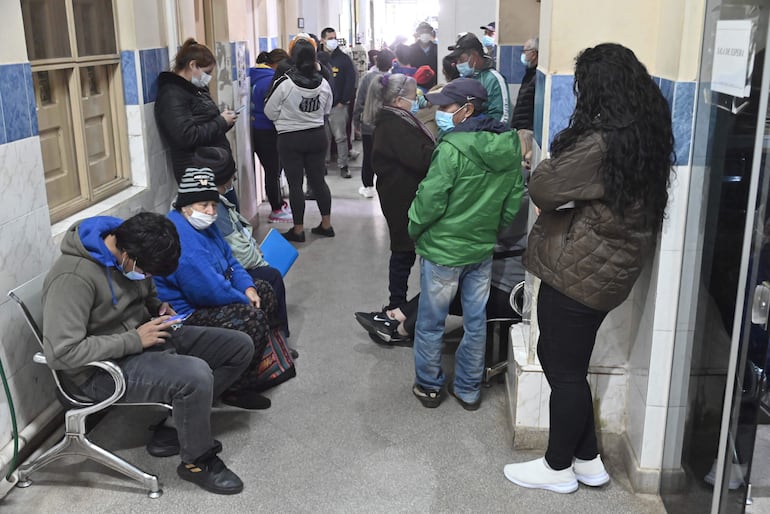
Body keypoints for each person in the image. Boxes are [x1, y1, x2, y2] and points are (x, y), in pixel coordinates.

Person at [502, 43, 674, 493]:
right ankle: (588, 459)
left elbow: (543, 185)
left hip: (580, 270)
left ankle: (557, 467)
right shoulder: (646, 133)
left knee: (563, 368)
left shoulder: (602, 142)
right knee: (562, 360)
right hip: (607, 271)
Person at [41, 212, 254, 495]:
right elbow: (61, 352)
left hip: (142, 340)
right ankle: (197, 461)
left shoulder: (132, 247)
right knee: (196, 376)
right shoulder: (73, 278)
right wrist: (133, 340)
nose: (148, 277)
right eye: (147, 272)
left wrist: (158, 307)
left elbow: (146, 292)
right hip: (98, 371)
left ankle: (175, 426)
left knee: (239, 347)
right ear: (127, 256)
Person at [408, 78, 524, 410]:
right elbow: (513, 200)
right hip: (481, 249)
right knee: (476, 322)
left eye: (445, 107)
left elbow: (430, 200)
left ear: (467, 109)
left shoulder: (451, 149)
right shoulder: (509, 144)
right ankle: (469, 388)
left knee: (432, 321)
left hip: (444, 250)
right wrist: (492, 230)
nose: (440, 113)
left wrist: (415, 227)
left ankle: (430, 386)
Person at [153, 168, 278, 409]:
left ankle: (256, 364)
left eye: (213, 204)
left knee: (263, 290)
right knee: (251, 318)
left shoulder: (206, 226)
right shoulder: (181, 236)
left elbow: (231, 261)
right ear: (185, 206)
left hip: (215, 294)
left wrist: (248, 288)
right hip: (187, 314)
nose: (210, 212)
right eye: (203, 205)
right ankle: (235, 388)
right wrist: (243, 299)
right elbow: (207, 290)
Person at [194, 146, 292, 345]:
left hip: (225, 269)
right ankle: (277, 338)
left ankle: (275, 337)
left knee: (266, 277)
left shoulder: (213, 202)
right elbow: (239, 256)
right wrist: (258, 257)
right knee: (270, 276)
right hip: (218, 278)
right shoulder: (214, 210)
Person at [358, 73, 436, 321]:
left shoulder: (397, 118)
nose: (417, 100)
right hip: (401, 195)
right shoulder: (394, 124)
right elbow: (420, 158)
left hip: (400, 191)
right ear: (400, 99)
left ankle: (398, 304)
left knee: (404, 249)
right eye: (414, 97)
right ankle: (397, 305)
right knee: (403, 251)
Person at [264, 37, 334, 242]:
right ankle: (326, 225)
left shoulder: (285, 83)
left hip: (290, 138)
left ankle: (298, 229)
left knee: (295, 184)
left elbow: (269, 111)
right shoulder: (323, 83)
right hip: (317, 136)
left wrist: (286, 119)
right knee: (319, 181)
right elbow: (327, 110)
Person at [154, 39, 239, 205]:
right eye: (207, 72)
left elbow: (205, 124)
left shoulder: (196, 90)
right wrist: (221, 122)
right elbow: (185, 136)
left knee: (234, 223)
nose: (209, 78)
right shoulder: (171, 95)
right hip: (199, 173)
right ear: (193, 65)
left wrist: (225, 121)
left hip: (216, 169)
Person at [249, 48, 292, 223]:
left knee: (271, 169)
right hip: (268, 130)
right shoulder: (270, 81)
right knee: (273, 170)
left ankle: (278, 203)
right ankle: (276, 208)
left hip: (256, 129)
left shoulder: (252, 75)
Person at [353, 49, 395, 198]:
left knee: (369, 156)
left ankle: (368, 186)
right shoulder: (395, 79)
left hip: (369, 124)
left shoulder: (367, 78)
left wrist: (356, 120)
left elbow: (360, 101)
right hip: (388, 125)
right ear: (392, 62)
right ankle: (388, 185)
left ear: (376, 61)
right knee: (388, 156)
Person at [447, 33, 512, 125]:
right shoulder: (463, 79)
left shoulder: (493, 80)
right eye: (456, 60)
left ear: (474, 55)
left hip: (485, 136)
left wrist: (476, 132)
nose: (458, 64)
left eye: (461, 60)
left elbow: (502, 118)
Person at [321, 27, 357, 179]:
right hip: (321, 107)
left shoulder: (343, 59)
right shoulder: (319, 59)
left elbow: (351, 80)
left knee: (340, 137)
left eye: (334, 38)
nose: (333, 41)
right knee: (324, 138)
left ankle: (343, 165)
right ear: (323, 40)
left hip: (338, 105)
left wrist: (343, 100)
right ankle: (323, 165)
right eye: (329, 38)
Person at [511, 37, 538, 131]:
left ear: (534, 54)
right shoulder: (529, 75)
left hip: (527, 130)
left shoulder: (536, 78)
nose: (523, 54)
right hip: (521, 128)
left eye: (525, 51)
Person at [408, 22, 438, 89]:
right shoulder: (411, 49)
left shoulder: (437, 48)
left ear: (431, 33)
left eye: (427, 31)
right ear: (418, 33)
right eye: (422, 31)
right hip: (417, 84)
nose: (425, 34)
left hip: (434, 83)